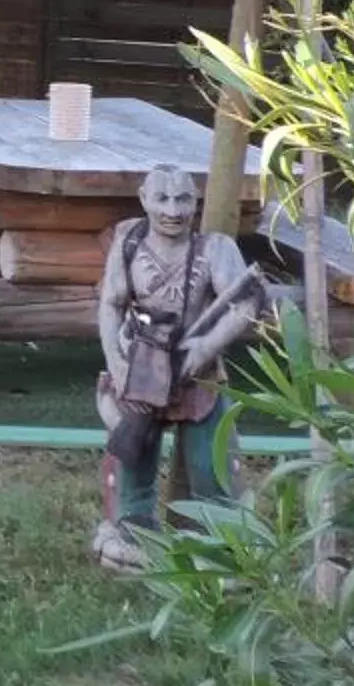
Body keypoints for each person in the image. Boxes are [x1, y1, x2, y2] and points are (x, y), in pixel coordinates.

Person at [91, 161, 265, 572]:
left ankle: (220, 539)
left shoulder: (215, 249)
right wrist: (117, 364)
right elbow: (111, 304)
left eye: (184, 199)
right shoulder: (129, 241)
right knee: (132, 454)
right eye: (162, 198)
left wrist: (202, 349)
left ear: (196, 200)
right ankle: (133, 535)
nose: (173, 210)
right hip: (140, 371)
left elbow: (246, 304)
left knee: (212, 462)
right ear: (144, 200)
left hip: (196, 375)